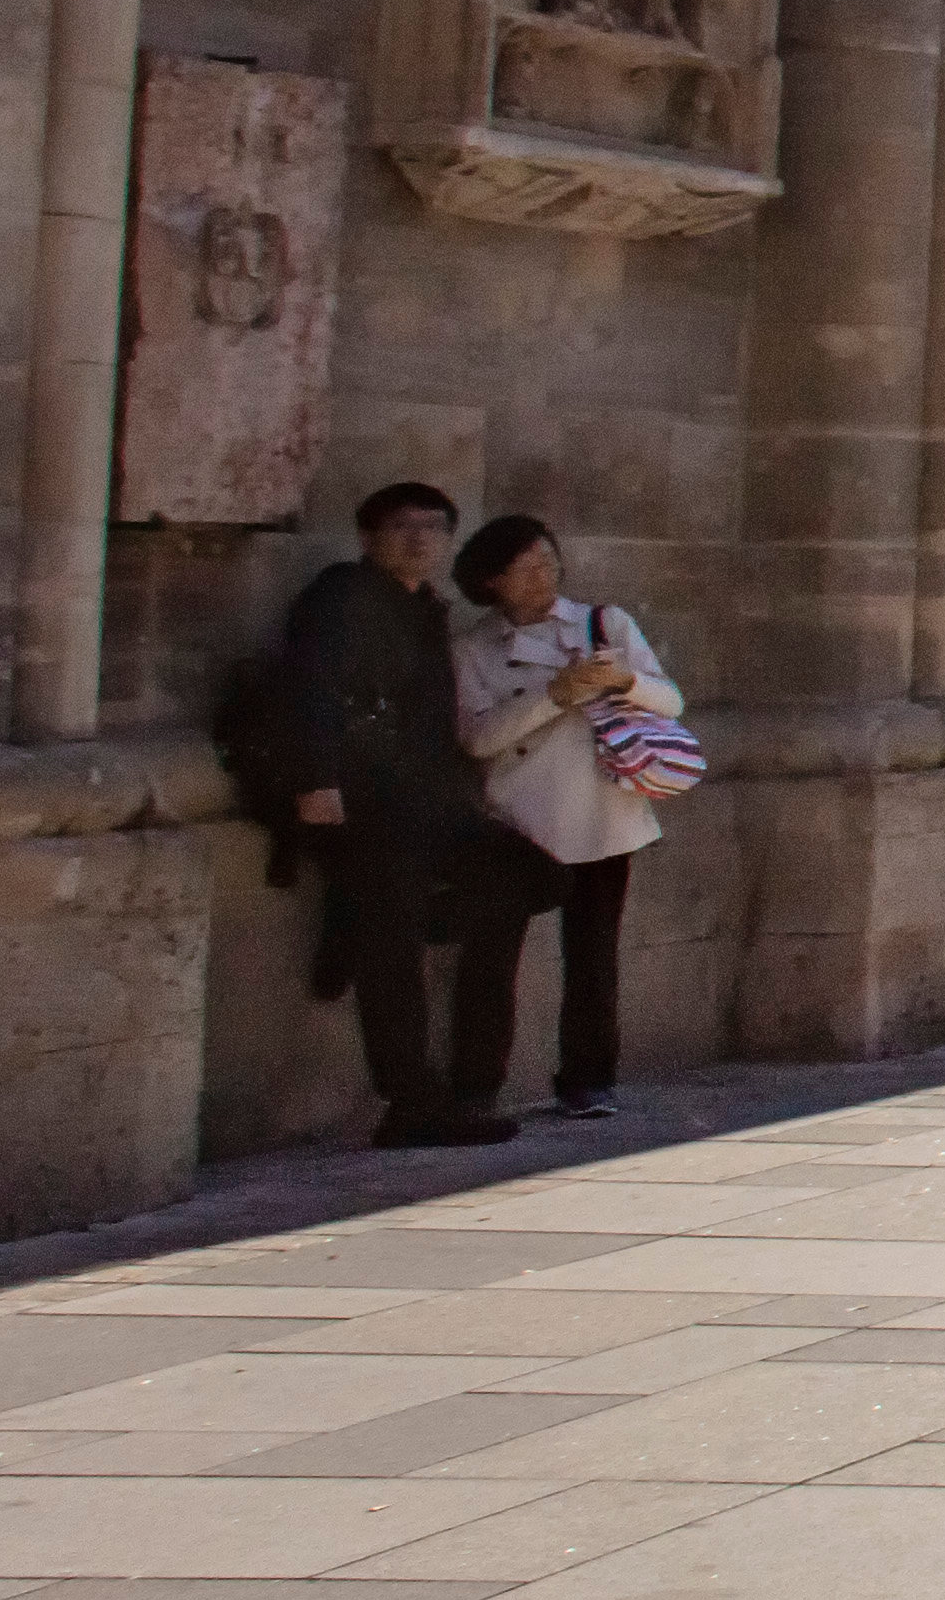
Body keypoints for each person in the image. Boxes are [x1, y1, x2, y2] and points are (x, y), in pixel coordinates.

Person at [265, 480, 515, 1148]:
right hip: (365, 801)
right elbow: (310, 687)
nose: (419, 539)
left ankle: (352, 926)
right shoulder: (342, 597)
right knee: (394, 951)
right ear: (370, 536)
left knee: (526, 878)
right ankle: (412, 1099)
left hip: (418, 801)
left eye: (433, 527)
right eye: (403, 525)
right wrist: (316, 782)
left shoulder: (425, 609)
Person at [441, 512, 675, 1127]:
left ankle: (590, 1078)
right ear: (492, 581)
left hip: (602, 808)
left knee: (594, 953)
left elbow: (669, 700)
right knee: (494, 957)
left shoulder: (605, 623)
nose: (543, 577)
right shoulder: (473, 648)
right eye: (525, 569)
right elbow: (479, 738)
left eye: (549, 562)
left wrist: (624, 680)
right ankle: (476, 1084)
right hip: (520, 816)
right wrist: (554, 696)